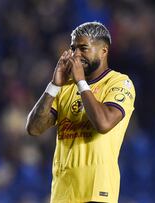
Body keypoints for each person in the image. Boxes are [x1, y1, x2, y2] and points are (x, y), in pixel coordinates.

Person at [26, 22, 135, 203]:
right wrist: (54, 86)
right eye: (73, 48)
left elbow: (104, 123)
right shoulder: (66, 87)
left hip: (96, 193)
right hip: (62, 194)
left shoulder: (119, 83)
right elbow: (34, 129)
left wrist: (81, 83)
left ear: (104, 51)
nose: (76, 54)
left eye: (83, 48)